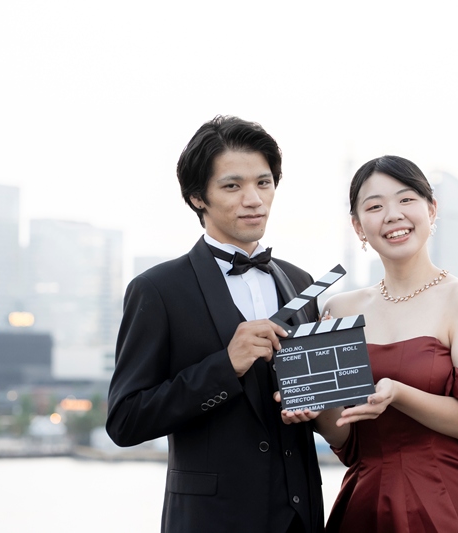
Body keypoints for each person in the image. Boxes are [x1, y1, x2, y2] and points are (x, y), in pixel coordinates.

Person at [281, 155, 458, 532]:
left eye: (406, 199)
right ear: (358, 226)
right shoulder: (338, 308)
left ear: (431, 209)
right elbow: (343, 437)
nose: (393, 215)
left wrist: (399, 394)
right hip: (367, 502)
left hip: (450, 499)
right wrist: (314, 404)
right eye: (374, 207)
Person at [106, 116, 325, 533]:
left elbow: (313, 401)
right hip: (210, 521)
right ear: (197, 197)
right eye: (232, 186)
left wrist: (317, 401)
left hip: (301, 519)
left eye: (264, 183)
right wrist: (225, 366)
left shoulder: (301, 282)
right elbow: (125, 420)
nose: (253, 199)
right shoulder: (158, 290)